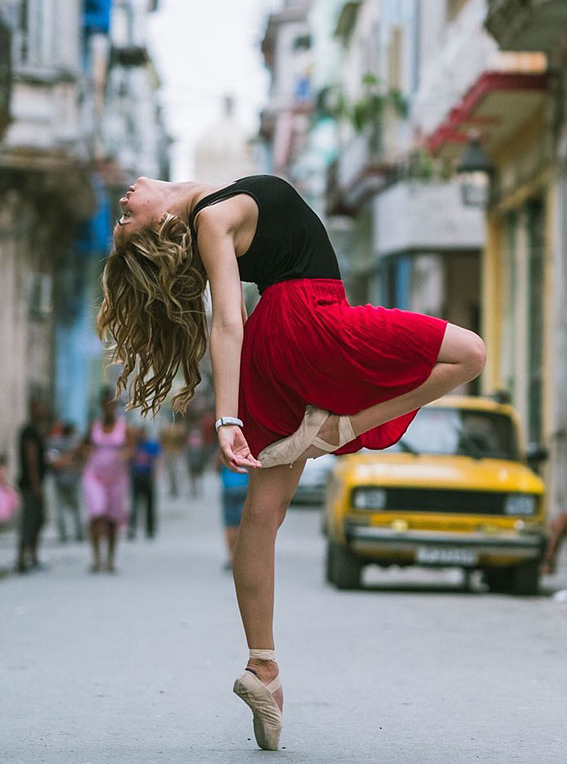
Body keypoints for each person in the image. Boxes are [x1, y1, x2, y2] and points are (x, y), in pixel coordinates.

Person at [98, 174, 486, 750]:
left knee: (262, 515)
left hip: (276, 343)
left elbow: (236, 323)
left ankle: (264, 670)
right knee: (470, 353)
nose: (121, 205)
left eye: (120, 215)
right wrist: (227, 419)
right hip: (310, 319)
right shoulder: (210, 218)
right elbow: (226, 320)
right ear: (159, 225)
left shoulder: (215, 206)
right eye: (124, 221)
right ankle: (343, 426)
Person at [82, 389, 132, 573]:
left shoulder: (124, 427)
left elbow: (132, 449)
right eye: (105, 404)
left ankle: (110, 559)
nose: (109, 408)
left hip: (117, 478)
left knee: (113, 518)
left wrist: (125, 454)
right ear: (101, 406)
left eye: (112, 405)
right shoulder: (94, 426)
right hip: (95, 476)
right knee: (96, 514)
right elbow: (84, 445)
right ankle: (96, 558)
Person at [15, 399, 48, 573]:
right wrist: (36, 485)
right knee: (30, 521)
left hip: (34, 483)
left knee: (38, 520)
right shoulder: (30, 432)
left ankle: (32, 556)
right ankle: (22, 558)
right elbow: (32, 459)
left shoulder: (36, 431)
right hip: (30, 485)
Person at [49, 423, 84, 543]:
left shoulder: (55, 443)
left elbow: (53, 461)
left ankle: (65, 534)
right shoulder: (74, 444)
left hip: (63, 478)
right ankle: (78, 532)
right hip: (69, 479)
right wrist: (70, 461)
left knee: (62, 508)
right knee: (75, 508)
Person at [128, 426, 161, 539]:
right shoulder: (134, 446)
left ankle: (150, 529)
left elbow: (157, 461)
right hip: (136, 476)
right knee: (134, 504)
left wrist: (154, 475)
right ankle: (132, 528)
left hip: (147, 477)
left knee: (149, 505)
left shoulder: (151, 445)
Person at [220, 461, 249, 572]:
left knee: (230, 524)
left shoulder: (225, 445)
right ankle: (243, 558)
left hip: (229, 487)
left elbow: (216, 467)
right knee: (245, 523)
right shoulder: (248, 447)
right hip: (244, 487)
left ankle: (232, 557)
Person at [160, 418, 188, 498]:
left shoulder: (166, 429)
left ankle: (174, 488)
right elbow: (183, 440)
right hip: (174, 452)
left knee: (173, 471)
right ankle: (174, 488)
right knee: (174, 471)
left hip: (172, 452)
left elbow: (162, 440)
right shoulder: (178, 429)